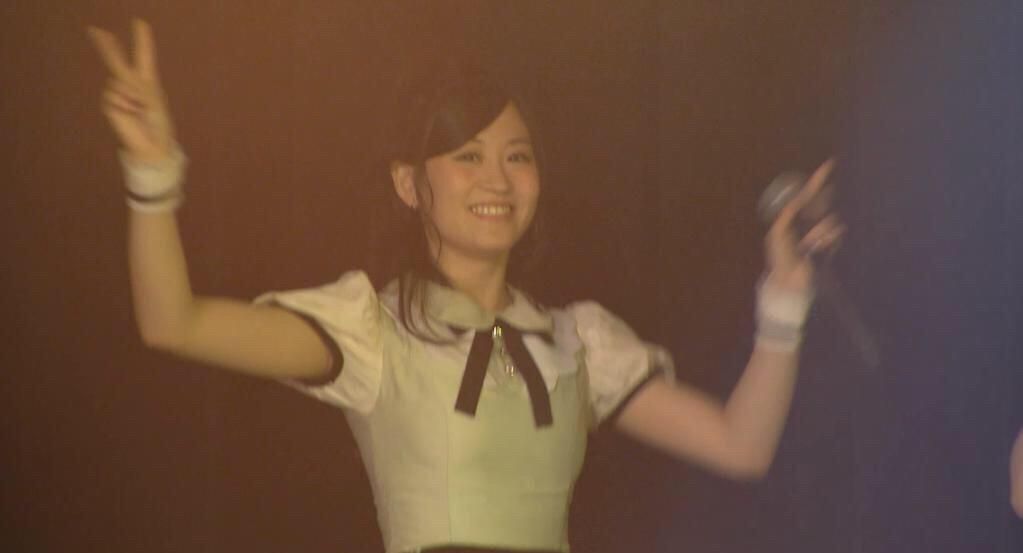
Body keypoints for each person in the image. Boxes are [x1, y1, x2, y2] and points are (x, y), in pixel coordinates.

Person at [87, 18, 844, 553]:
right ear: (408, 184)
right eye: (467, 157)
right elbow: (173, 321)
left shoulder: (577, 341)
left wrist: (784, 297)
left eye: (517, 156)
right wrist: (152, 174)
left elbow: (740, 446)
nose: (497, 180)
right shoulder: (372, 330)